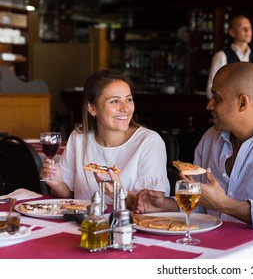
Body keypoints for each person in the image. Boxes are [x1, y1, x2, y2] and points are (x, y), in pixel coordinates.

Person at [136, 62, 253, 236]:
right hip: (212, 249)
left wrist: (226, 204)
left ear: (242, 103)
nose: (209, 105)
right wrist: (165, 206)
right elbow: (200, 203)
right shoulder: (210, 138)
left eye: (217, 98)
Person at [40, 69, 170, 208]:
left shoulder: (148, 142)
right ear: (92, 108)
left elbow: (153, 207)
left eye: (129, 99)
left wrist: (119, 194)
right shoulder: (79, 137)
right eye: (114, 101)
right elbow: (71, 197)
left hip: (127, 226)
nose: (125, 108)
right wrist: (57, 183)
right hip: (84, 225)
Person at [206, 15, 253, 102]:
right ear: (232, 33)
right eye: (242, 27)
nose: (247, 30)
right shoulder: (221, 56)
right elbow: (210, 91)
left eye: (249, 27)